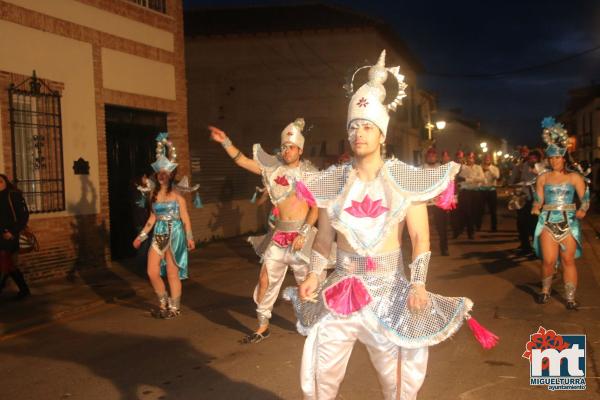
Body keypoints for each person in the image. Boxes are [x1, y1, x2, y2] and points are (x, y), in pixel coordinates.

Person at [286, 50, 496, 400]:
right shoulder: (332, 182)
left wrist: (418, 284)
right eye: (353, 127)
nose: (359, 134)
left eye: (367, 127)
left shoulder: (404, 181)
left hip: (389, 293)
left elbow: (420, 237)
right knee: (320, 375)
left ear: (382, 133)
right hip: (341, 290)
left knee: (398, 383)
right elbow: (324, 241)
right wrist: (312, 275)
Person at [209, 118, 319, 344]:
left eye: (291, 147)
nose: (287, 151)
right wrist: (225, 142)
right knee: (265, 278)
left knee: (305, 285)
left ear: (300, 149)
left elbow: (315, 210)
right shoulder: (272, 169)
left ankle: (314, 326)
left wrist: (304, 232)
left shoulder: (309, 174)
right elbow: (244, 162)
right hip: (279, 236)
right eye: (284, 147)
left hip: (301, 237)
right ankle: (262, 325)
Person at [133, 133, 195, 319]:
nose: (162, 176)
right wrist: (141, 236)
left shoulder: (177, 195)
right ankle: (163, 302)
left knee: (172, 273)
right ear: (156, 174)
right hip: (159, 234)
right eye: (159, 173)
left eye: (165, 173)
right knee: (152, 271)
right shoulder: (153, 194)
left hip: (175, 233)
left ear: (170, 175)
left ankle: (174, 308)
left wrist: (190, 237)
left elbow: (185, 217)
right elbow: (152, 218)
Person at [532, 117, 588, 309]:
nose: (554, 161)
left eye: (558, 157)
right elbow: (539, 198)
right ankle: (545, 291)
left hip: (569, 221)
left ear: (564, 158)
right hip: (547, 221)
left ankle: (570, 298)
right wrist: (535, 206)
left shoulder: (574, 177)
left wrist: (582, 209)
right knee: (548, 260)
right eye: (551, 157)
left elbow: (586, 198)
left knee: (568, 259)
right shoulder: (543, 177)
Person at [0, 173, 31, 300]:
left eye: (0, 181)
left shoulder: (13, 195)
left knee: (3, 263)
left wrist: (12, 232)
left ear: (6, 182)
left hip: (9, 236)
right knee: (10, 265)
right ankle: (24, 289)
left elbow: (24, 217)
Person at [511, 149, 543, 254]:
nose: (532, 160)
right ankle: (525, 245)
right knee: (521, 222)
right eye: (530, 158)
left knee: (534, 224)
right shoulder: (523, 165)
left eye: (534, 158)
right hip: (523, 197)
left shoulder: (542, 167)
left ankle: (536, 247)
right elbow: (515, 178)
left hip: (536, 199)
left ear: (538, 158)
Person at [423, 148, 450, 256]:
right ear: (426, 157)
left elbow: (449, 181)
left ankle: (444, 248)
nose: (431, 157)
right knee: (424, 227)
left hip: (439, 202)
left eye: (433, 156)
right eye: (429, 156)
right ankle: (424, 249)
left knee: (442, 227)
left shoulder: (442, 168)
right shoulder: (421, 169)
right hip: (426, 202)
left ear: (436, 157)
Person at [455, 152, 484, 239]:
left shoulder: (478, 167)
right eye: (469, 158)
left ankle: (471, 230)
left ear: (474, 159)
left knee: (474, 212)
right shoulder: (463, 168)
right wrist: (474, 180)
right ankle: (465, 230)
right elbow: (459, 180)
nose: (470, 159)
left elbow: (482, 179)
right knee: (466, 212)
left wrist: (468, 179)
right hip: (465, 192)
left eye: (472, 158)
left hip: (475, 192)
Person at [479, 154, 500, 232]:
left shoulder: (495, 168)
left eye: (488, 158)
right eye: (485, 158)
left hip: (491, 190)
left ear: (490, 160)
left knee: (493, 210)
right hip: (482, 190)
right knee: (480, 210)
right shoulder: (479, 168)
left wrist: (489, 170)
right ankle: (478, 226)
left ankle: (494, 227)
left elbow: (497, 177)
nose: (487, 160)